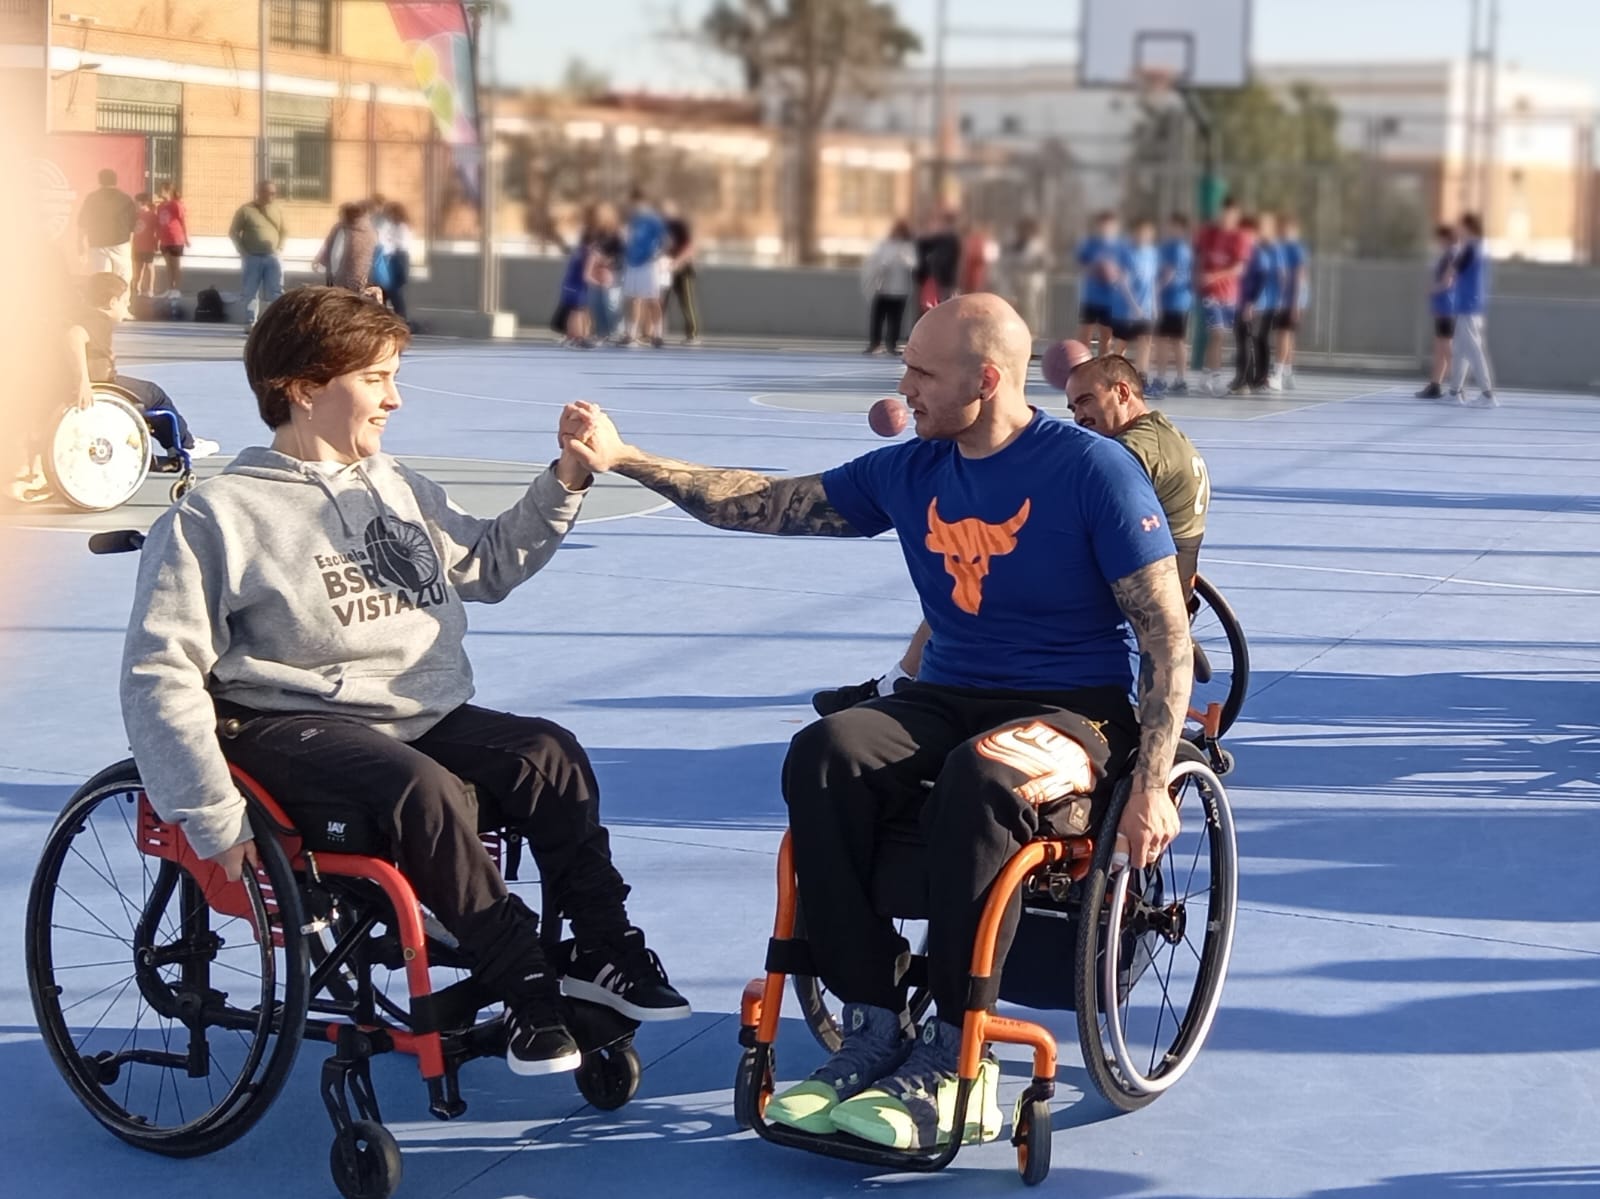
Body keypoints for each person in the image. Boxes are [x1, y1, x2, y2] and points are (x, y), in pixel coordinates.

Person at [560, 295, 1191, 1151]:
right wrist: (626, 457)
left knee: (982, 774)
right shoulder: (914, 469)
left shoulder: (1092, 470)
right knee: (824, 753)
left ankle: (959, 1055)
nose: (904, 389)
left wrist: (1151, 781)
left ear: (987, 379)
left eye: (922, 372)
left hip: (1073, 708)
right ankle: (874, 1019)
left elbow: (1165, 633)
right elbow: (763, 500)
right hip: (948, 694)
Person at [118, 287, 691, 1078]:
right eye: (376, 378)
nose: (395, 398)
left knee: (548, 754)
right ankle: (525, 985)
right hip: (287, 721)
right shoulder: (217, 517)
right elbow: (160, 673)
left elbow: (487, 563)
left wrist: (566, 477)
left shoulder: (395, 485)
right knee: (421, 788)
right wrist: (212, 815)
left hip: (416, 712)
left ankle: (602, 947)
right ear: (304, 386)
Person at [814, 343, 1209, 714]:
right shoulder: (1163, 434)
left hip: (1137, 585)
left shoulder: (1124, 454)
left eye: (1087, 400)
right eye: (1072, 407)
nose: (1078, 417)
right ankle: (902, 682)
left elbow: (1072, 491)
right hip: (1174, 569)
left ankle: (900, 685)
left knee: (976, 577)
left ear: (1122, 392)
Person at [68, 272, 220, 461]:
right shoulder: (99, 320)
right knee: (154, 394)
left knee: (144, 394)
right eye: (125, 302)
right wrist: (83, 382)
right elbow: (74, 336)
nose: (127, 307)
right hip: (101, 383)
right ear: (112, 303)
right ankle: (185, 444)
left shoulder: (84, 315)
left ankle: (174, 443)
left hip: (96, 380)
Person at [1195, 197, 1250, 396]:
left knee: (1219, 337)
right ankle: (1216, 378)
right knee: (1217, 333)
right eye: (1224, 213)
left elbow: (1239, 268)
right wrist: (1200, 277)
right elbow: (1198, 256)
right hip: (1211, 294)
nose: (1227, 217)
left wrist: (1215, 275)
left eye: (1231, 214)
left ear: (1236, 216)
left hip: (1230, 295)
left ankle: (1206, 376)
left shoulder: (1240, 237)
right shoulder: (1209, 233)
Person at [1448, 212, 1497, 407]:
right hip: (1472, 303)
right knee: (1461, 349)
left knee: (1474, 349)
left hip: (1468, 304)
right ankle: (1454, 392)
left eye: (1461, 226)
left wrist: (1456, 248)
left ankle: (1487, 394)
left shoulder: (1471, 247)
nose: (1458, 229)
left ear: (1468, 227)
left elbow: (1454, 268)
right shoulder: (1481, 246)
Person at [230, 180, 288, 330]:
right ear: (260, 192)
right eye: (269, 193)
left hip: (272, 256)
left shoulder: (278, 210)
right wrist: (243, 251)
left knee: (276, 291)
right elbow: (233, 232)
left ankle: (276, 323)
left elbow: (284, 231)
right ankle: (250, 322)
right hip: (252, 257)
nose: (272, 196)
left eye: (274, 193)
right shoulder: (246, 210)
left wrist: (280, 248)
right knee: (250, 291)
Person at [1230, 213, 1276, 395]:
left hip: (1254, 305)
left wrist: (1251, 303)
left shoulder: (1258, 253)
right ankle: (1245, 378)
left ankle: (1248, 380)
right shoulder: (1240, 251)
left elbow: (1261, 279)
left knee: (1249, 340)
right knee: (1242, 340)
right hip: (1239, 302)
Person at [1112, 218, 1159, 386]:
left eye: (1147, 233)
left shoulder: (1152, 254)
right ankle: (1114, 373)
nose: (1144, 236)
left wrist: (1154, 305)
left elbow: (1152, 281)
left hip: (1146, 307)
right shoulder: (1126, 252)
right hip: (1126, 309)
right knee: (1122, 342)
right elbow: (1123, 282)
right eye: (1141, 232)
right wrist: (1134, 306)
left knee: (1145, 340)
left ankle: (1142, 376)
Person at [861, 219, 917, 355]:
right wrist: (883, 265)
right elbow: (875, 262)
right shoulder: (884, 245)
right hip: (882, 288)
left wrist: (903, 258)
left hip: (900, 290)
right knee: (877, 318)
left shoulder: (908, 247)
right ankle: (874, 344)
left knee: (895, 319)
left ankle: (891, 344)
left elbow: (913, 264)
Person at [1417, 223, 1459, 399]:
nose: (1437, 241)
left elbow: (1447, 282)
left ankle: (1458, 386)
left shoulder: (1452, 255)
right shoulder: (1447, 255)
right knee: (1439, 347)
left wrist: (1432, 289)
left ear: (1446, 238)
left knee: (1446, 347)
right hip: (1441, 306)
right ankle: (1435, 385)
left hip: (1447, 306)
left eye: (1439, 238)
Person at [621, 189, 667, 348]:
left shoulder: (654, 219)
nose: (633, 206)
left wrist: (655, 255)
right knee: (633, 299)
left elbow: (665, 240)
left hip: (648, 264)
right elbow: (627, 239)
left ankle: (658, 334)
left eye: (635, 203)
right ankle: (631, 334)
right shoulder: (632, 219)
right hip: (632, 263)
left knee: (652, 299)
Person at [1155, 213, 1194, 395]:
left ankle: (1181, 379)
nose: (1172, 229)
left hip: (1178, 302)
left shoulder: (1181, 249)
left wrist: (1155, 290)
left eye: (1176, 226)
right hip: (1164, 302)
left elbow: (1169, 274)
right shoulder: (1164, 247)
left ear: (1182, 229)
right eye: (1171, 225)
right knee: (1161, 340)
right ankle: (1161, 377)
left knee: (1178, 340)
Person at [78, 168, 138, 285]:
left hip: (97, 245)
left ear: (99, 181)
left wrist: (80, 244)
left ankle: (103, 296)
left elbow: (82, 223)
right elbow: (133, 227)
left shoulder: (91, 198)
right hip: (120, 244)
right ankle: (122, 297)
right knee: (123, 280)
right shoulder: (125, 199)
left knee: (101, 281)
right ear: (115, 181)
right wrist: (129, 248)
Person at [1075, 211, 1120, 355]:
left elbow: (1126, 270)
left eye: (1109, 226)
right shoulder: (1090, 244)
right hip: (1091, 297)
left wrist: (1113, 274)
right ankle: (1083, 363)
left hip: (1110, 299)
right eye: (1102, 225)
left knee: (1106, 337)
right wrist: (1095, 269)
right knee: (1085, 335)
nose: (1105, 229)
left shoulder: (1120, 246)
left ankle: (1102, 364)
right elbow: (1080, 264)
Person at [997, 216, 1049, 339]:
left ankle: (1032, 334)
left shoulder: (1037, 246)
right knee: (1015, 308)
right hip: (1015, 282)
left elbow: (1044, 263)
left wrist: (1030, 264)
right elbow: (1005, 262)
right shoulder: (1014, 244)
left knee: (1030, 309)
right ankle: (1017, 333)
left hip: (1031, 282)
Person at [1271, 214, 1307, 391]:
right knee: (1288, 335)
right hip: (1283, 299)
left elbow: (1300, 276)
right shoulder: (1279, 247)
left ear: (1294, 230)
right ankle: (1288, 373)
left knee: (1283, 334)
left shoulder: (1295, 248)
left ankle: (1277, 375)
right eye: (1281, 227)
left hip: (1290, 299)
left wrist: (1295, 303)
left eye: (1287, 228)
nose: (1283, 231)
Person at [314, 202, 379, 294]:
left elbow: (336, 256)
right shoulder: (372, 231)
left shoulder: (343, 230)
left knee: (341, 301)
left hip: (343, 280)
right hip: (363, 279)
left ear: (347, 215)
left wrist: (333, 276)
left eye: (340, 213)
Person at [660, 200, 701, 345]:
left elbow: (689, 247)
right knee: (660, 302)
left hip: (684, 269)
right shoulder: (660, 226)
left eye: (667, 210)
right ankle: (656, 333)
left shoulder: (680, 225)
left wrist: (678, 262)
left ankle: (692, 334)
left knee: (687, 302)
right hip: (666, 268)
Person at [585, 202, 624, 344]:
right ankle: (602, 333)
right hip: (595, 274)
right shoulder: (595, 234)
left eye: (602, 215)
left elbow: (622, 257)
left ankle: (615, 332)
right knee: (596, 304)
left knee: (611, 305)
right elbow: (590, 251)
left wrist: (608, 261)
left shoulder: (617, 235)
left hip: (612, 275)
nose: (599, 218)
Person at [914, 211, 962, 311]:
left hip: (943, 281)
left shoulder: (948, 239)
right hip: (939, 282)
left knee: (942, 308)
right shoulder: (941, 239)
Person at [381, 201, 414, 323]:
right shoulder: (392, 225)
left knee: (395, 291)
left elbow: (401, 244)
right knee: (390, 290)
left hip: (398, 258)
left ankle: (401, 318)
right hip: (394, 258)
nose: (389, 216)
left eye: (390, 213)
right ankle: (398, 317)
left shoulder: (402, 227)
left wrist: (390, 247)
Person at [156, 182, 190, 299]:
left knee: (176, 265)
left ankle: (177, 289)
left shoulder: (176, 205)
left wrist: (186, 237)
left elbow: (183, 221)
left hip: (175, 238)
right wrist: (158, 238)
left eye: (161, 190)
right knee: (168, 266)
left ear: (168, 191)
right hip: (164, 240)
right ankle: (170, 288)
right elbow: (159, 224)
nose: (160, 192)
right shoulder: (160, 206)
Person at [132, 193, 160, 300]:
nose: (135, 204)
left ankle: (150, 289)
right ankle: (137, 288)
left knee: (149, 266)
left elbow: (157, 230)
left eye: (136, 202)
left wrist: (157, 243)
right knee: (138, 267)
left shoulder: (152, 215)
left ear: (141, 203)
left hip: (148, 245)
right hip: (137, 245)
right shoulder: (135, 215)